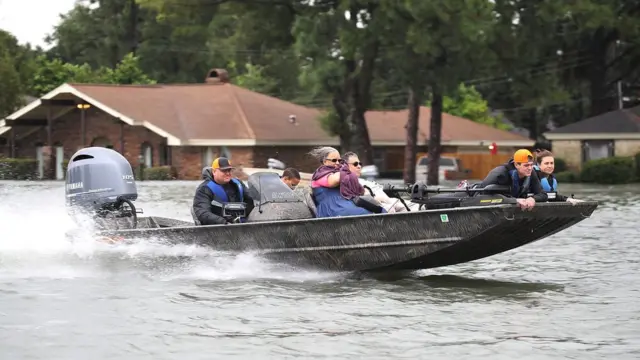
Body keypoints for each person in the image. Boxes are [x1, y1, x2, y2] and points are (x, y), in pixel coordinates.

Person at [308, 147, 375, 217]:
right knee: (364, 213)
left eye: (339, 160)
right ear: (325, 161)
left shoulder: (339, 171)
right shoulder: (320, 174)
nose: (337, 163)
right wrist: (347, 169)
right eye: (334, 160)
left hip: (344, 204)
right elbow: (334, 180)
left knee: (376, 210)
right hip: (331, 207)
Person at [192, 157, 255, 225]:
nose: (228, 173)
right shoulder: (204, 189)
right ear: (214, 172)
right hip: (217, 227)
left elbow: (253, 201)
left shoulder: (238, 184)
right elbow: (202, 213)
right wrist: (224, 222)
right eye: (224, 171)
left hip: (240, 224)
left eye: (229, 170)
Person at [478, 148, 548, 210]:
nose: (530, 168)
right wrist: (514, 201)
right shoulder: (500, 173)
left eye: (531, 165)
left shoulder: (531, 173)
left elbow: (543, 194)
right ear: (516, 165)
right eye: (526, 165)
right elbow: (482, 196)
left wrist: (533, 199)